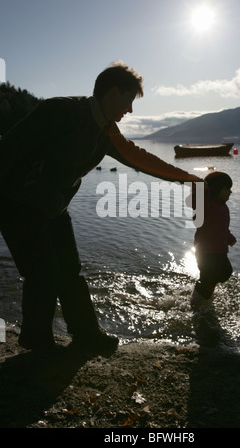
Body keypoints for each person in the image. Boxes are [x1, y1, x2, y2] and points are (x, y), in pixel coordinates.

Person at [0, 61, 202, 356]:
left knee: (70, 270)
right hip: (17, 203)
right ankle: (36, 339)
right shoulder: (60, 110)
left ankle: (86, 335)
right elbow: (9, 149)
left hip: (54, 207)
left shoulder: (107, 131)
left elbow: (138, 157)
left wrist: (189, 179)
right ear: (112, 93)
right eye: (129, 100)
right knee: (42, 271)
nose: (130, 110)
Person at [190, 171, 236, 309]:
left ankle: (205, 291)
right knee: (208, 277)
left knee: (225, 272)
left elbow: (222, 227)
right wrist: (200, 187)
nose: (230, 192)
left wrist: (229, 238)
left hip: (220, 250)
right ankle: (196, 301)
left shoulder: (223, 207)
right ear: (216, 189)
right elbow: (196, 199)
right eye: (227, 189)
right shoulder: (206, 206)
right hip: (205, 252)